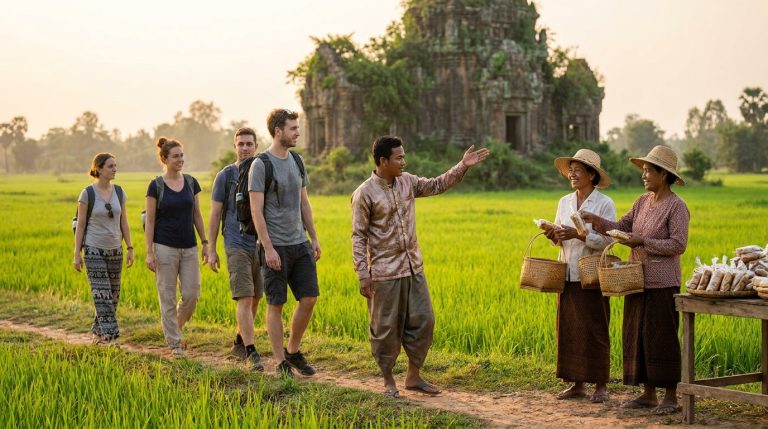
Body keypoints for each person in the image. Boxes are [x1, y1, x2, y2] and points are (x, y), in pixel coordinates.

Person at [351, 135, 490, 398]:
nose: (404, 161)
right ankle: (388, 380)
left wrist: (463, 166)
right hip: (384, 273)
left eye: (404, 156)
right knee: (385, 329)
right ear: (383, 161)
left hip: (413, 268)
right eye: (399, 157)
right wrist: (362, 274)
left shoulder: (408, 182)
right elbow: (358, 237)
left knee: (424, 321)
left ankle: (413, 377)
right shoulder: (364, 194)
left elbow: (437, 184)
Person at [581, 145, 689, 415]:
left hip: (662, 283)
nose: (643, 176)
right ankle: (648, 393)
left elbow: (678, 244)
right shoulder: (642, 202)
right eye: (642, 171)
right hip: (635, 278)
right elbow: (623, 225)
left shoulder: (676, 206)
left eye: (648, 171)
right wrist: (599, 221)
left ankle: (671, 396)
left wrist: (644, 241)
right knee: (637, 335)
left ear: (663, 175)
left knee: (661, 337)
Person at [248, 108, 320, 377]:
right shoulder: (261, 165)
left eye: (297, 128)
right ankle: (280, 361)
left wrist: (313, 237)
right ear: (278, 131)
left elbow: (304, 203)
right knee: (275, 303)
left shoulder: (298, 161)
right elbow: (256, 210)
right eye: (293, 128)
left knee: (309, 298)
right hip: (274, 245)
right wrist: (268, 248)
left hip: (299, 243)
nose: (298, 132)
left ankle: (293, 350)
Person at [545, 149, 616, 403]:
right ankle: (576, 384)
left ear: (591, 174)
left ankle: (601, 385)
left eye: (578, 170)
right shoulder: (564, 202)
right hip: (567, 272)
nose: (572, 174)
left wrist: (579, 234)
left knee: (596, 328)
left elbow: (609, 240)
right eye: (570, 170)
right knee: (570, 329)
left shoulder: (604, 203)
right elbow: (559, 236)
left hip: (592, 274)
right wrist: (553, 235)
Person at [144, 137, 209, 357]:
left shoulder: (191, 182)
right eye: (175, 156)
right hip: (164, 248)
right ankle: (174, 343)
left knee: (191, 294)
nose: (180, 159)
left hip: (189, 247)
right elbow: (150, 221)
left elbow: (197, 215)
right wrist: (149, 252)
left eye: (182, 155)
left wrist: (205, 243)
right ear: (164, 159)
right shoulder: (156, 186)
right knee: (168, 296)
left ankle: (175, 330)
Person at [208, 127, 264, 371]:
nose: (245, 148)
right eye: (240, 144)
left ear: (256, 147)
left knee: (257, 297)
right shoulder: (225, 176)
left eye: (249, 144)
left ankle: (241, 339)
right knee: (244, 295)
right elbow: (215, 213)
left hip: (260, 244)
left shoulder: (262, 173)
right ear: (234, 147)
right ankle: (251, 351)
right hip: (235, 243)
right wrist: (211, 249)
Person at [73, 153, 133, 344]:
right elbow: (81, 225)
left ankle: (98, 332)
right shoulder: (87, 194)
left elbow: (124, 221)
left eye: (115, 165)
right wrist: (77, 254)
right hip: (94, 250)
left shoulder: (119, 192)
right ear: (98, 169)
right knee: (102, 294)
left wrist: (130, 247)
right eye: (110, 166)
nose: (115, 169)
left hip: (115, 250)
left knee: (113, 295)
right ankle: (111, 336)